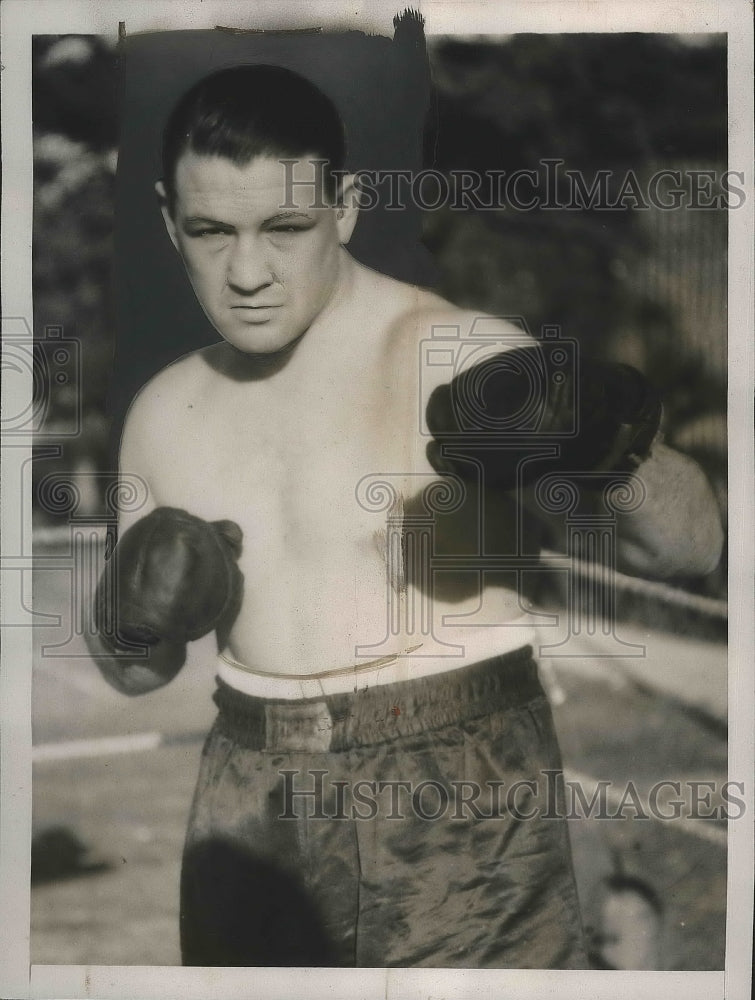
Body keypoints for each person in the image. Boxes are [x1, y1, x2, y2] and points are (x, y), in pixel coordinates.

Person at [87, 64, 723, 968]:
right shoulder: (162, 412)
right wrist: (130, 613)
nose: (248, 272)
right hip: (249, 791)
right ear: (166, 219)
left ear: (343, 208)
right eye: (211, 231)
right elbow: (133, 674)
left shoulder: (454, 354)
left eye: (286, 228)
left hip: (455, 792)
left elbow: (691, 547)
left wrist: (611, 448)